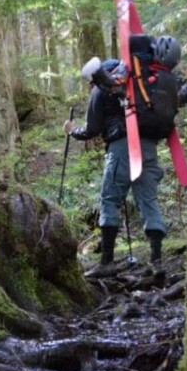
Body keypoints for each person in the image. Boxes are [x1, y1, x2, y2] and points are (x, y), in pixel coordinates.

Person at [64, 56, 169, 277]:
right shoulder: (137, 85)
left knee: (110, 200)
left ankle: (107, 262)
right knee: (149, 201)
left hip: (121, 147)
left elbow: (92, 129)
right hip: (148, 146)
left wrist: (72, 130)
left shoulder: (101, 90)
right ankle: (157, 262)